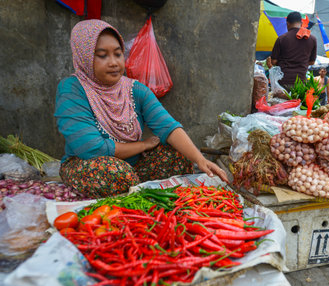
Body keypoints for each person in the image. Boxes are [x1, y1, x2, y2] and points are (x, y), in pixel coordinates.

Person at [55, 20, 228, 198]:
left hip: (133, 166)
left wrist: (200, 160)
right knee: (115, 174)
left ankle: (134, 188)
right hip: (87, 165)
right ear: (84, 57)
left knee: (178, 154)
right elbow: (91, 148)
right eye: (102, 55)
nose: (114, 62)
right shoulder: (72, 90)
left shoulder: (134, 89)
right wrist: (143, 145)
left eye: (118, 54)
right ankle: (134, 189)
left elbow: (167, 126)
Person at [271, 12, 317, 90]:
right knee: (298, 102)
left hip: (283, 82)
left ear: (287, 23)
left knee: (283, 102)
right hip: (301, 82)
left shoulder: (282, 39)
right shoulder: (312, 39)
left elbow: (274, 61)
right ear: (301, 23)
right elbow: (312, 62)